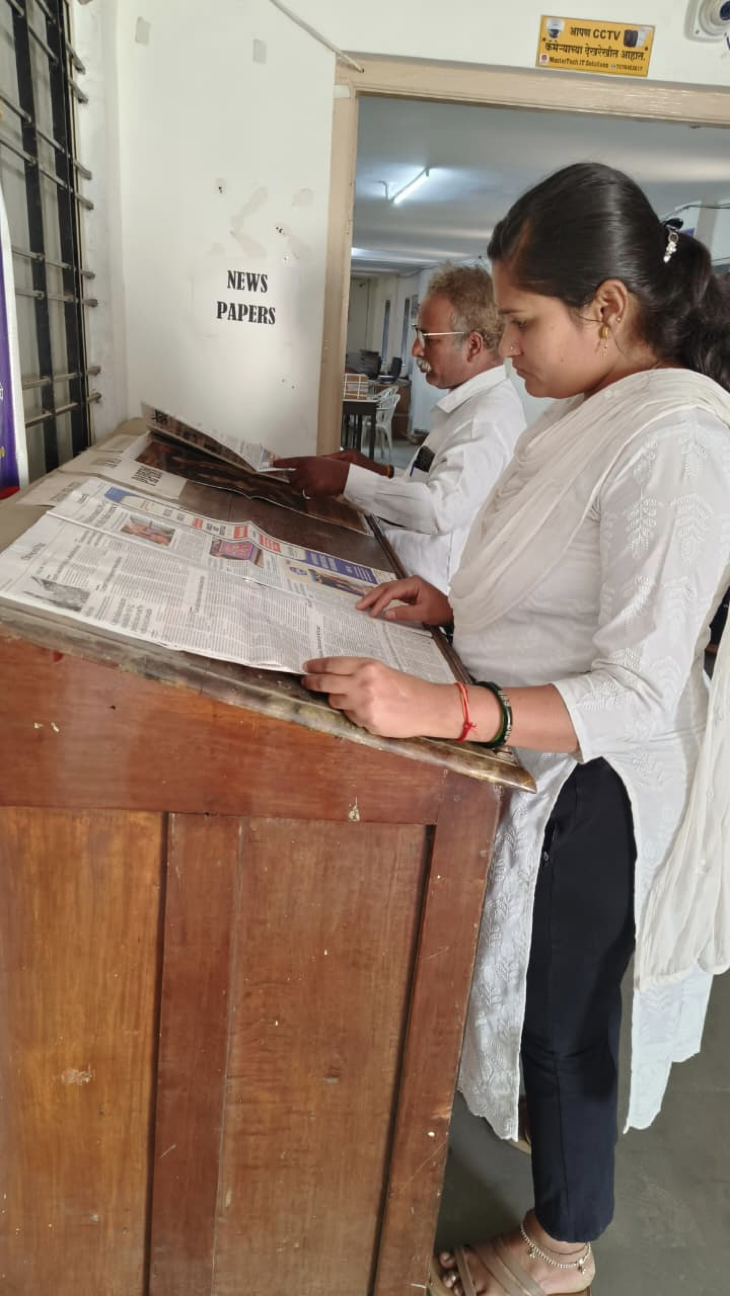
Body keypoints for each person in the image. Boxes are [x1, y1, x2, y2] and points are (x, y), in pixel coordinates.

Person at [299, 163, 730, 1295]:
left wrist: (450, 705)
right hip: (530, 740)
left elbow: (636, 687)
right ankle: (552, 1166)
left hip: (598, 782)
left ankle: (562, 1244)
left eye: (523, 321)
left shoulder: (679, 441)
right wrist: (456, 609)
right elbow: (559, 580)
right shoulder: (593, 407)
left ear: (606, 307)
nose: (509, 345)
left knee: (566, 1023)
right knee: (539, 1000)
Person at [277, 264, 525, 591]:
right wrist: (382, 472)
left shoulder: (487, 419)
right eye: (416, 332)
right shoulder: (464, 408)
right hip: (400, 566)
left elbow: (439, 509)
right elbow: (432, 480)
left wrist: (347, 479)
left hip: (425, 590)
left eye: (428, 338)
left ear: (474, 345)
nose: (415, 350)